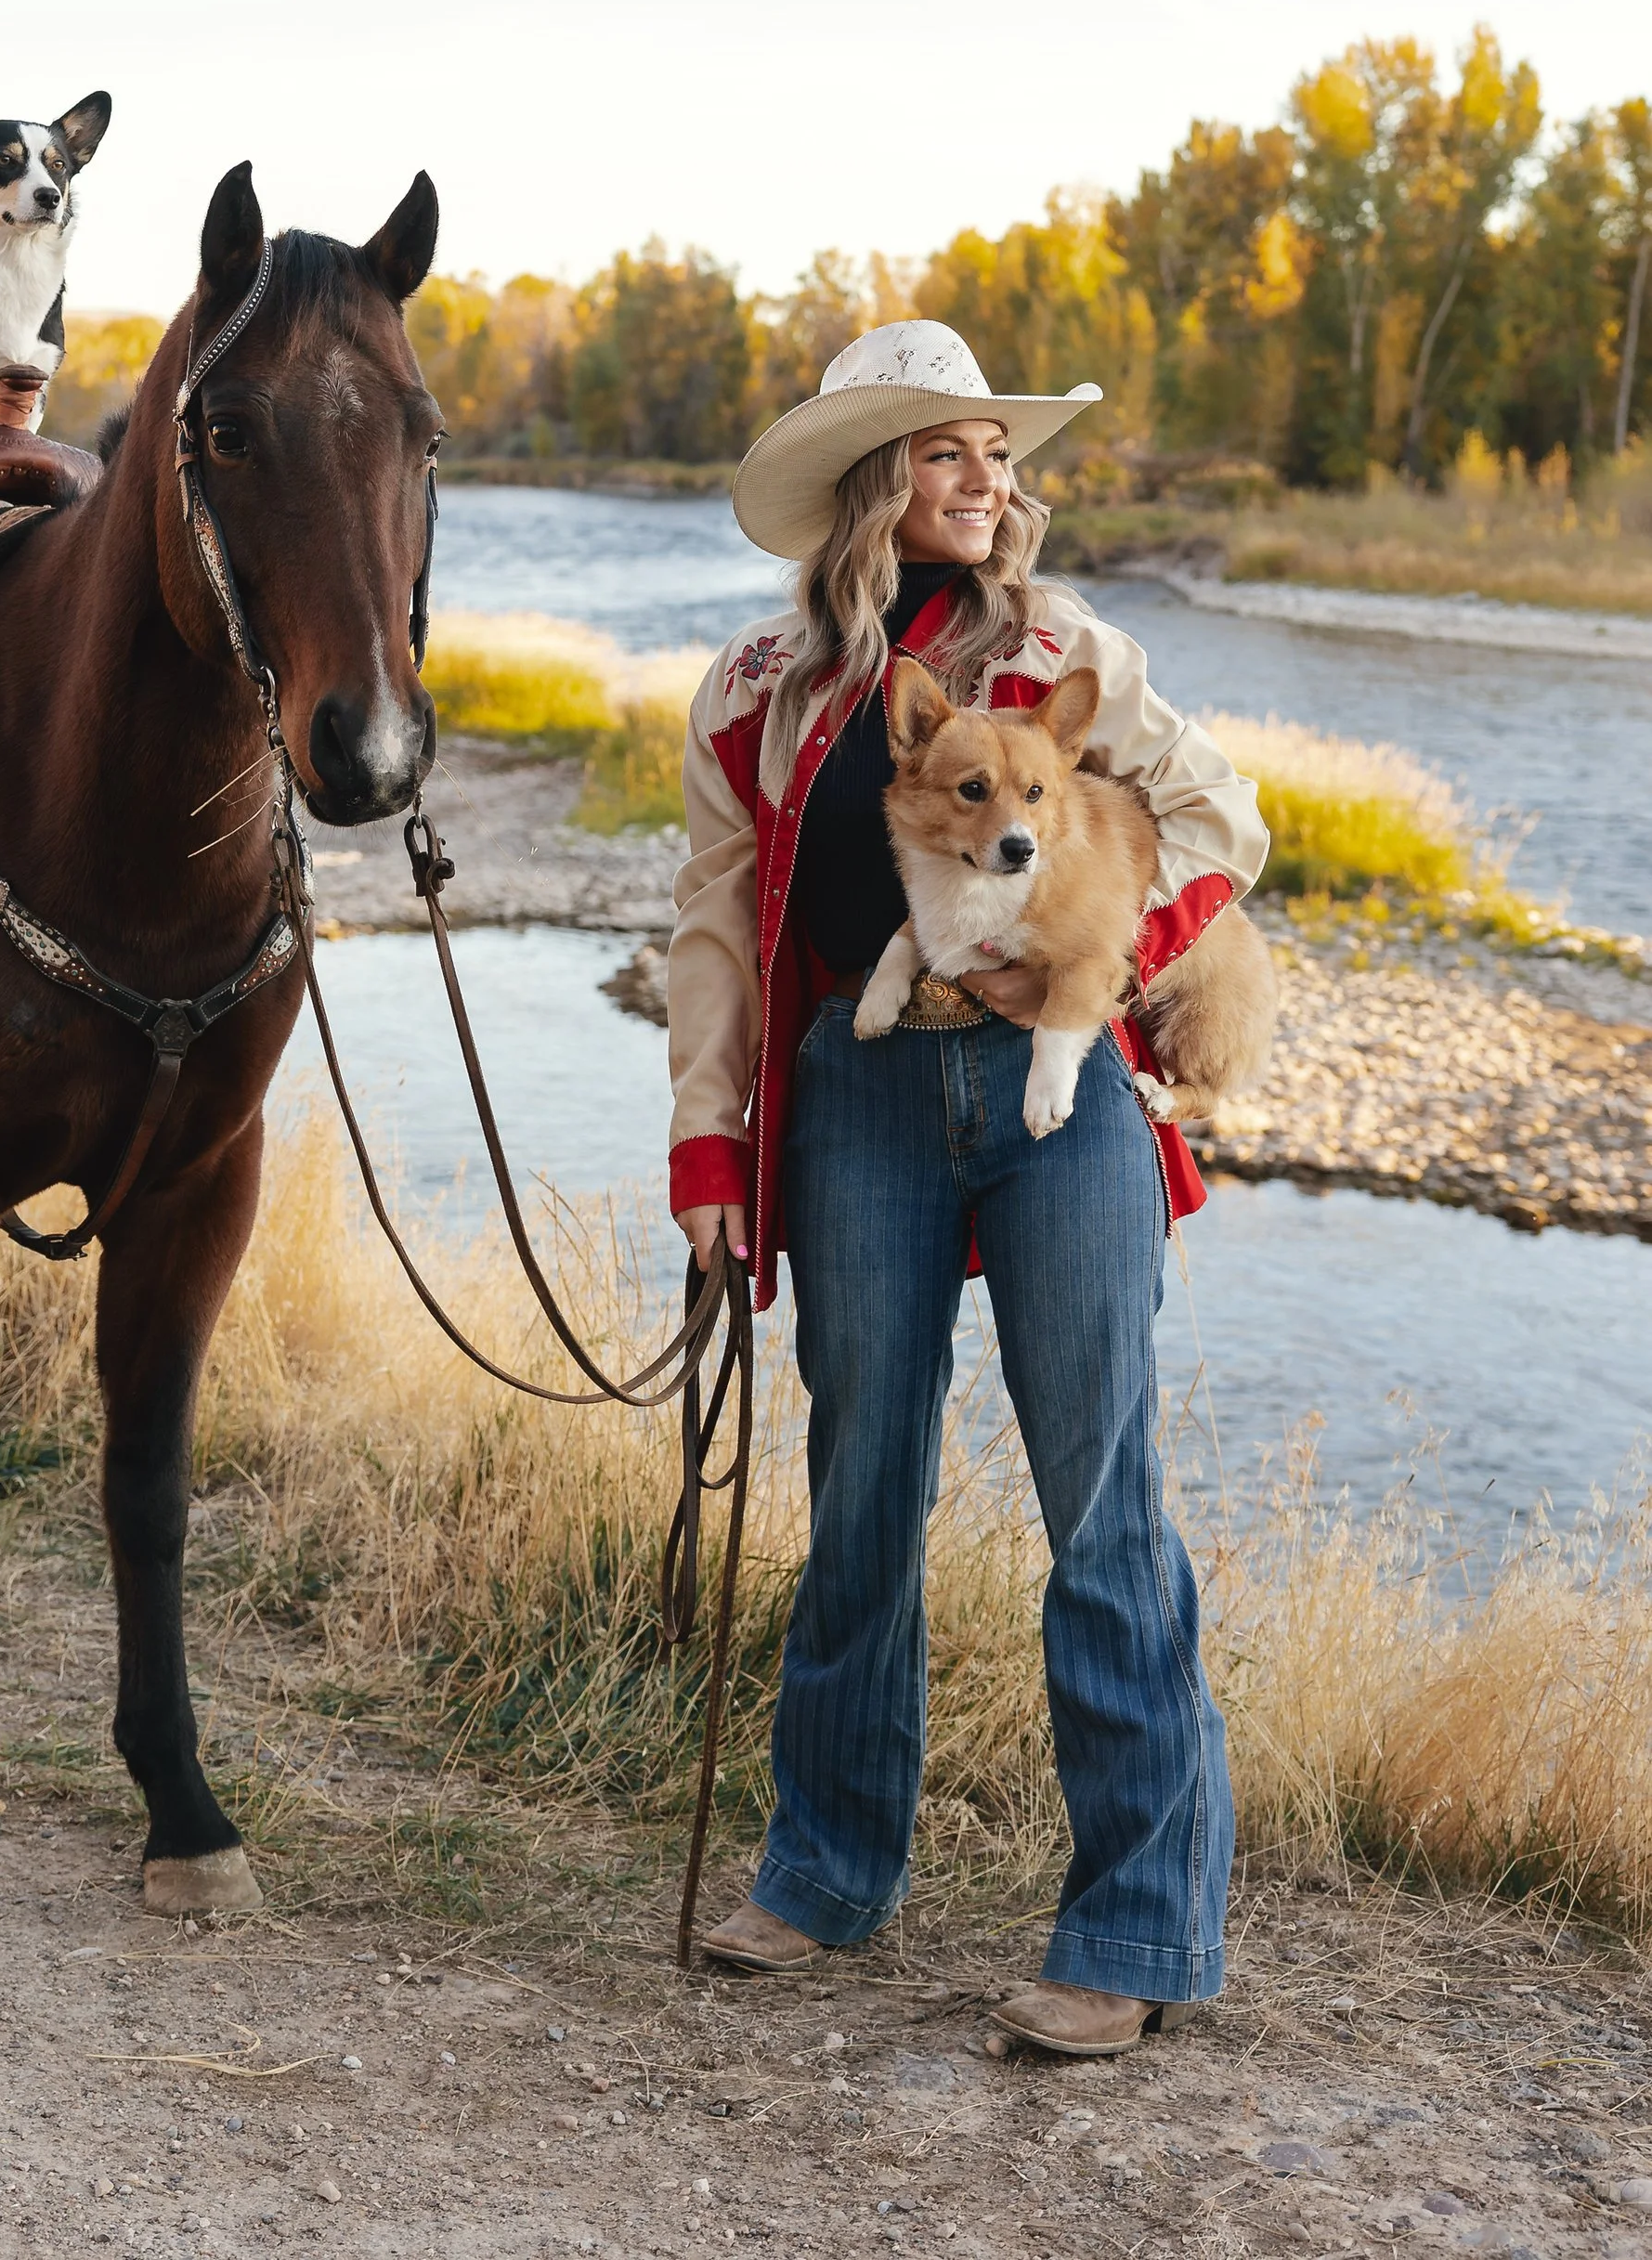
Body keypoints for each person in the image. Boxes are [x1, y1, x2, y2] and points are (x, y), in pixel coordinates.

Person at [666, 320, 1266, 2054]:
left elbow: (1224, 817)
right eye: (950, 454)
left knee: (1101, 1482)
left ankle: (1140, 1922)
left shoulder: (1074, 651)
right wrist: (715, 1146)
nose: (991, 483)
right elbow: (715, 923)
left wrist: (1118, 950)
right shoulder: (756, 690)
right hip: (854, 1096)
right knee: (862, 1478)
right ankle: (829, 1867)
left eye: (1000, 454)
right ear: (874, 483)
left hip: (1056, 1089)